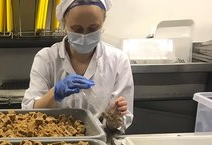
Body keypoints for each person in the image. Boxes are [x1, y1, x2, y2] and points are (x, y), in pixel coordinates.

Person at [22, 0, 134, 131]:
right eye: (77, 29)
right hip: (52, 143)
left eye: (93, 29)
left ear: (103, 22)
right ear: (64, 24)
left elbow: (118, 124)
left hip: (101, 142)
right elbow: (29, 113)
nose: (84, 36)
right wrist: (54, 93)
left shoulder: (118, 60)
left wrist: (113, 118)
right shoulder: (46, 59)